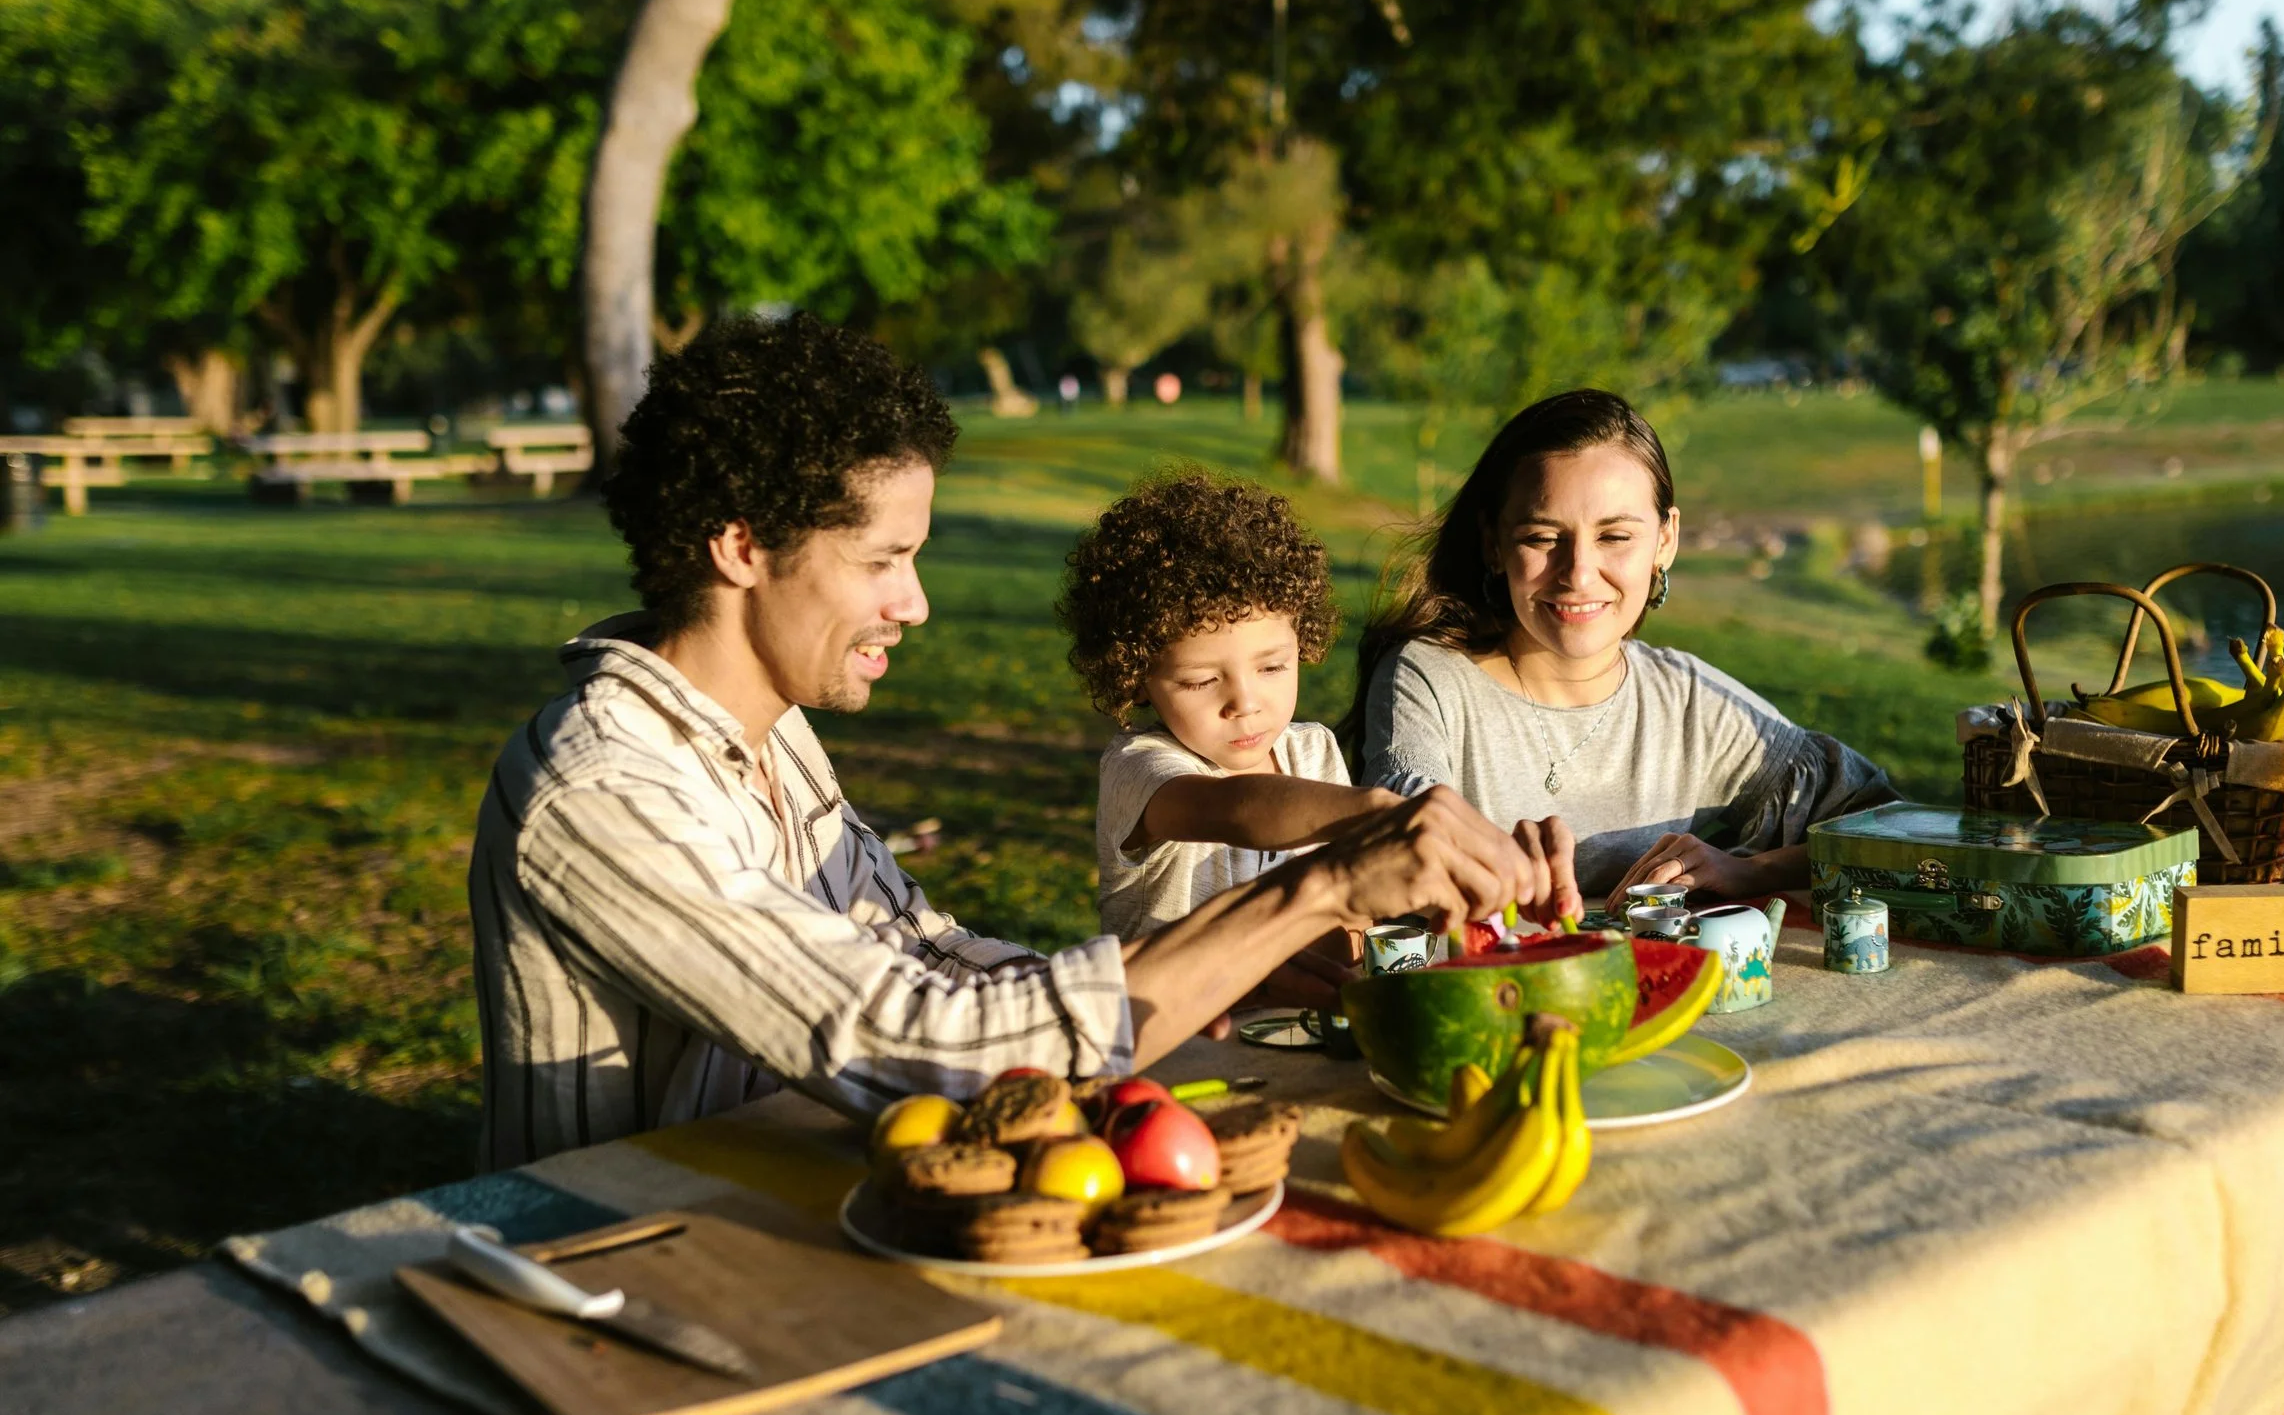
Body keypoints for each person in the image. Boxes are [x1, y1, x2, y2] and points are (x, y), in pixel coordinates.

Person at [468, 315, 1554, 1168]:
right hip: (630, 1260)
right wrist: (1312, 892)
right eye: (883, 559)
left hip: (781, 1184)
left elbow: (921, 951)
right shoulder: (599, 790)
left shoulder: (765, 732)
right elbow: (921, 1041)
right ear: (742, 547)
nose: (917, 603)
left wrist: (1217, 968)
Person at [1345, 388, 1897, 910]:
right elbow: (1402, 836)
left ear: (1665, 540)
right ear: (1493, 544)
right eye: (1542, 538)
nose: (1579, 574)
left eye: (1614, 537)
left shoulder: (1689, 704)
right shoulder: (1430, 681)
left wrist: (1747, 870)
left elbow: (1888, 831)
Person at [1062, 474, 1397, 1010]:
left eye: (1271, 666)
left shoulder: (1313, 754)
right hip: (1173, 1045)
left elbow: (1350, 920)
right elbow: (1234, 809)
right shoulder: (1139, 769)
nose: (1245, 702)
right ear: (1135, 674)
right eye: (1199, 681)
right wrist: (1381, 814)